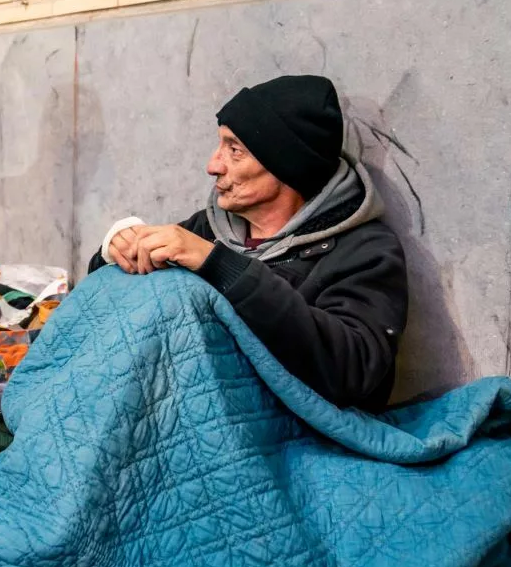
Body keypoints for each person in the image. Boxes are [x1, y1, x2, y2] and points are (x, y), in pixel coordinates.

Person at [88, 75, 407, 411]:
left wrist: (221, 266)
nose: (213, 166)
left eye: (234, 150)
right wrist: (114, 250)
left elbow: (354, 372)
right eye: (220, 146)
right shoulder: (208, 227)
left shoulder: (365, 250)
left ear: (286, 164)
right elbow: (108, 306)